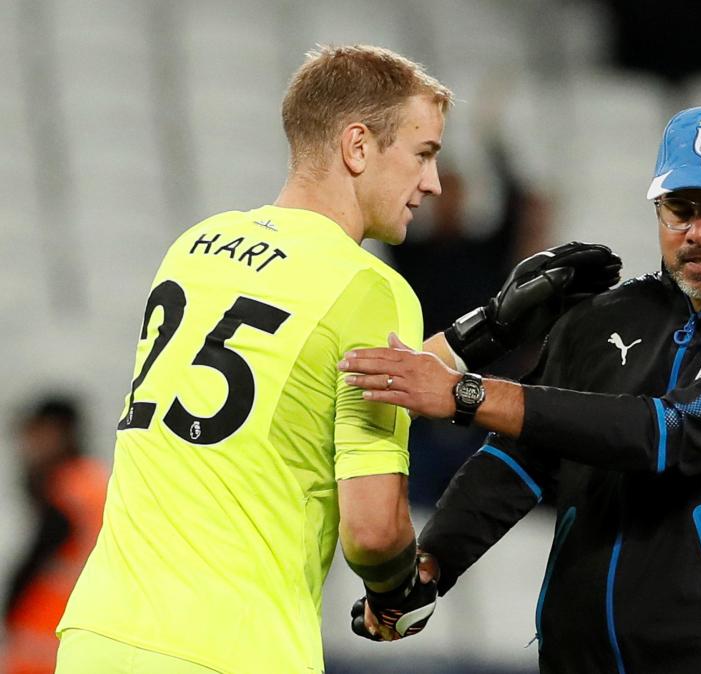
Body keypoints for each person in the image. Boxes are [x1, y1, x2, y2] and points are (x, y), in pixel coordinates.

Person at [340, 103, 701, 672]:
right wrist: (433, 565)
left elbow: (667, 434)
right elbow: (521, 460)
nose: (700, 233)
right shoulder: (605, 316)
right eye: (680, 210)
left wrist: (468, 394)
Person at [53, 45, 456, 674]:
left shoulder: (194, 245)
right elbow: (373, 531)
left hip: (98, 634)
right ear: (357, 147)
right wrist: (398, 590)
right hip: (232, 647)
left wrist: (465, 339)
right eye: (423, 154)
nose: (432, 182)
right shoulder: (370, 288)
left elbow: (292, 379)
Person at [2, 397, 107, 674]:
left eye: (36, 434)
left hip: (44, 645)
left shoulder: (66, 492)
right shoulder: (98, 480)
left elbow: (33, 564)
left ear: (58, 433)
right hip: (85, 641)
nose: (26, 446)